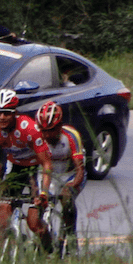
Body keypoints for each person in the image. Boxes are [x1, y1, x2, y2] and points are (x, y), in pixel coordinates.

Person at [0, 89, 56, 251]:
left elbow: (46, 164)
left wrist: (43, 193)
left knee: (33, 222)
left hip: (35, 169)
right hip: (14, 168)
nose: (2, 117)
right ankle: (3, 259)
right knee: (2, 219)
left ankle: (50, 249)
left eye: (7, 113)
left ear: (15, 112)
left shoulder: (29, 129)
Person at [35, 100, 85, 250]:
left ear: (59, 126)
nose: (47, 135)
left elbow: (80, 170)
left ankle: (70, 235)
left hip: (70, 174)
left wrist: (71, 186)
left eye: (51, 130)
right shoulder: (36, 137)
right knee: (39, 206)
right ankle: (47, 243)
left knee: (65, 199)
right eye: (43, 130)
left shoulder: (71, 136)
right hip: (48, 175)